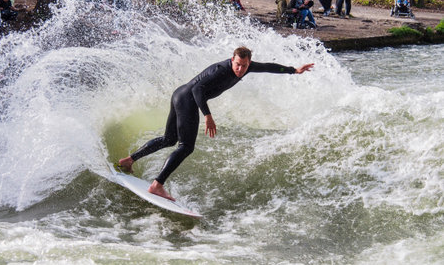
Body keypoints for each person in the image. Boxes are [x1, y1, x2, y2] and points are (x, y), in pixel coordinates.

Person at [118, 47, 314, 201]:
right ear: (232, 60)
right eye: (237, 64)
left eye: (244, 66)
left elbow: (269, 67)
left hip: (179, 95)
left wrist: (293, 70)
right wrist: (208, 116)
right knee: (186, 146)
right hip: (187, 98)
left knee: (169, 139)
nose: (240, 69)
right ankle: (157, 185)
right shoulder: (221, 70)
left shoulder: (248, 67)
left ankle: (129, 160)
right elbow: (197, 90)